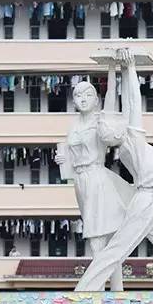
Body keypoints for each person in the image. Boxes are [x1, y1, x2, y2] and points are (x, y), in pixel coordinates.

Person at [74, 49, 153, 303]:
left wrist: (120, 70)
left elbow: (125, 105)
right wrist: (131, 69)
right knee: (118, 249)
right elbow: (134, 103)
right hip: (146, 198)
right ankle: (84, 291)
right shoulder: (132, 141)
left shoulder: (128, 141)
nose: (121, 120)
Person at [54, 69, 127, 292]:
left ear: (96, 100)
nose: (83, 99)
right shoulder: (74, 124)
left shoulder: (100, 121)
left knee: (98, 236)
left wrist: (113, 73)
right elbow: (71, 151)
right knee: (100, 237)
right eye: (78, 96)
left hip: (96, 177)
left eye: (88, 95)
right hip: (79, 180)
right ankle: (116, 288)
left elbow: (112, 103)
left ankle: (97, 289)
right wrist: (63, 158)